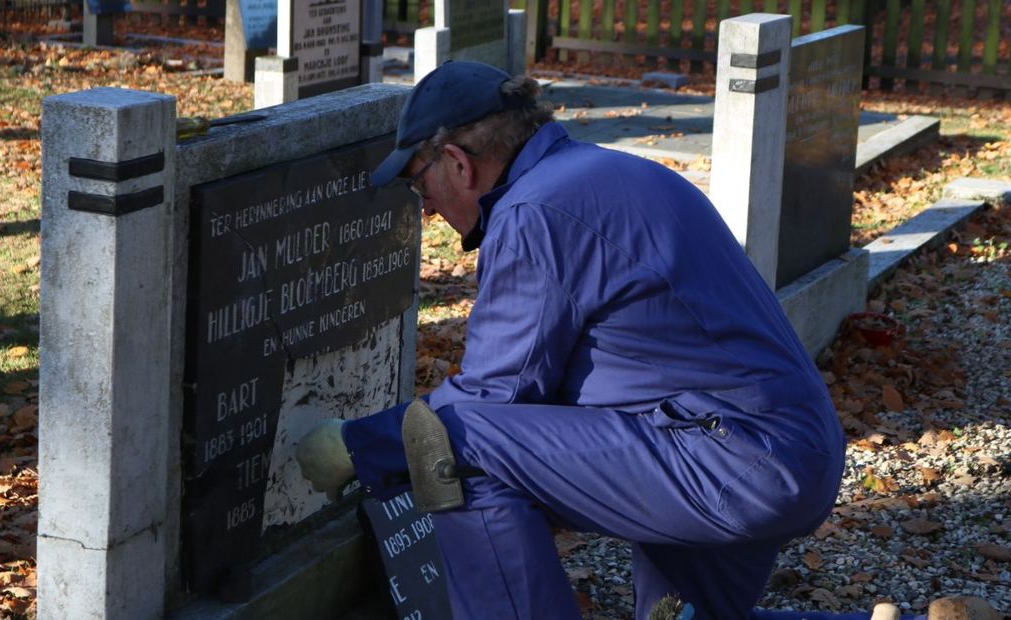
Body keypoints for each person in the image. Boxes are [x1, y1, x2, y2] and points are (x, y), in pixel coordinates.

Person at [293, 61, 930, 620]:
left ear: (457, 162)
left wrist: (356, 444)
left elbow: (494, 401)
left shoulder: (533, 212)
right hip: (780, 450)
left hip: (731, 462)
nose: (425, 204)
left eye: (417, 181)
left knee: (453, 443)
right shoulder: (611, 174)